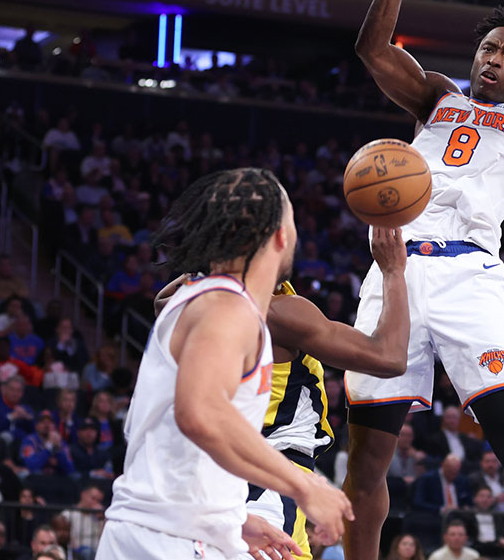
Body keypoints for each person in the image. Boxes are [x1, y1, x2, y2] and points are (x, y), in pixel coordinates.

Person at [347, 0, 504, 560]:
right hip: (394, 268)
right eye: (488, 50)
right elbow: (372, 46)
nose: (495, 60)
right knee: (369, 451)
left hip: (469, 274)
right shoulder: (437, 98)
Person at [97, 168, 352, 559]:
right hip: (172, 542)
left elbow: (178, 448)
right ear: (281, 236)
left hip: (167, 530)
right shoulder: (227, 306)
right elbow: (200, 413)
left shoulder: (204, 300)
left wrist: (233, 521)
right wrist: (305, 487)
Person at [152, 222, 411, 560]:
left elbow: (165, 296)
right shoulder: (276, 312)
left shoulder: (178, 303)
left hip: (211, 477)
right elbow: (389, 358)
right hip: (270, 476)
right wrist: (393, 271)